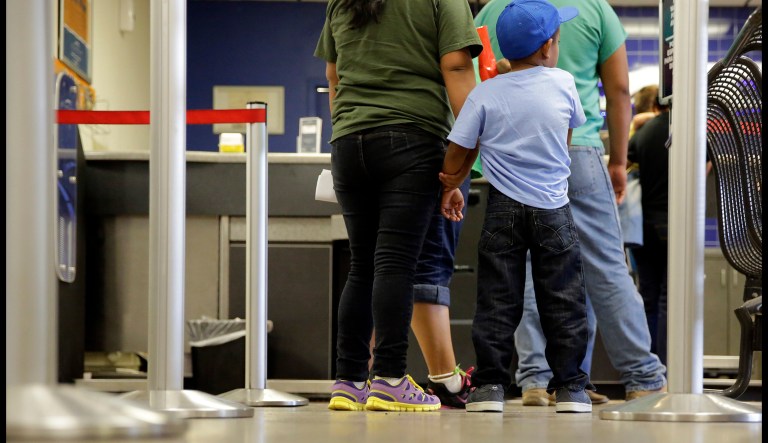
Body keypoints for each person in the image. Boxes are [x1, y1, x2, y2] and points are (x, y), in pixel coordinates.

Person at [473, 0, 668, 405]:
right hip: (577, 151)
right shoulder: (594, 8)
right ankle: (643, 376)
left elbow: (479, 81)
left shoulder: (492, 11)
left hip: (512, 158)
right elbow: (618, 91)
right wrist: (618, 160)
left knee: (526, 272)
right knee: (605, 268)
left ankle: (535, 379)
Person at [314, 0, 482, 412]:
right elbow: (458, 68)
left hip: (349, 141)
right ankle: (389, 378)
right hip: (413, 136)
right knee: (396, 264)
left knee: (362, 265)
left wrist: (352, 130)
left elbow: (334, 77)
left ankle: (349, 381)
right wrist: (463, 160)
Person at [438, 0, 594, 414]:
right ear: (546, 48)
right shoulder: (563, 82)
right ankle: (571, 389)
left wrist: (450, 182)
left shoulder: (485, 92)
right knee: (563, 299)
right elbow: (566, 137)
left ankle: (490, 387)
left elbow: (459, 147)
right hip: (553, 208)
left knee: (497, 300)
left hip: (502, 208)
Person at [628, 95, 671, 366]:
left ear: (655, 107)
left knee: (649, 297)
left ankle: (649, 366)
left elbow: (628, 163)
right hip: (673, 224)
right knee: (669, 298)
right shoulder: (687, 132)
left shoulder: (642, 134)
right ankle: (667, 367)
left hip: (642, 227)